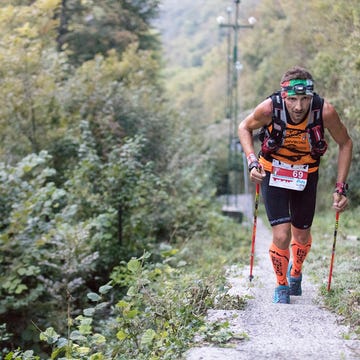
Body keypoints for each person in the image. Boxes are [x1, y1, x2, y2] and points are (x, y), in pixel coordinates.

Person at [238, 66, 353, 304]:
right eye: (292, 100)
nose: (299, 107)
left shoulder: (325, 111)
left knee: (301, 236)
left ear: (311, 96)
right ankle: (281, 285)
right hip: (273, 172)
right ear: (283, 97)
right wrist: (251, 162)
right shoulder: (269, 108)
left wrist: (340, 187)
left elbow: (345, 143)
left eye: (304, 99)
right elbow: (244, 127)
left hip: (306, 175)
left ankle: (296, 272)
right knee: (281, 234)